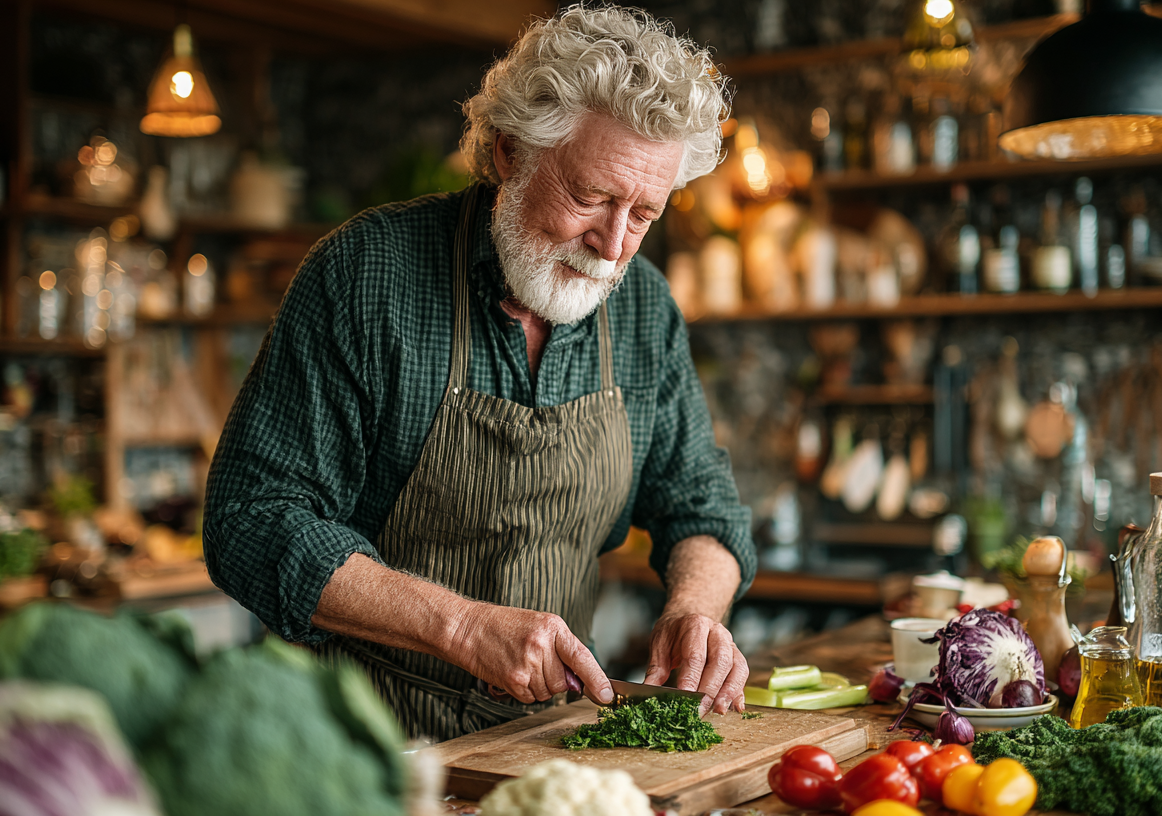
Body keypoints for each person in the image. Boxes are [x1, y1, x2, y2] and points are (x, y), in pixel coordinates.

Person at [203, 6, 755, 741]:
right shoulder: (366, 275)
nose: (613, 244)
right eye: (590, 198)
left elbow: (703, 508)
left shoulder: (645, 310)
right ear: (507, 154)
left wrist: (696, 609)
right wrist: (459, 628)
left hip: (547, 747)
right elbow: (252, 519)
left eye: (644, 214)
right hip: (361, 747)